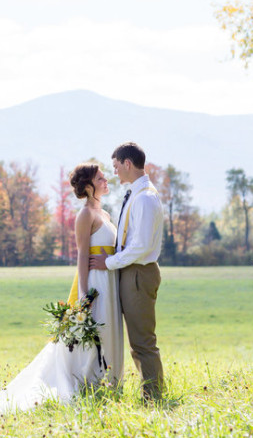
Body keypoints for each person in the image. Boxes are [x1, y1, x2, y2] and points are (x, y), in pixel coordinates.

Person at [0, 163, 123, 415]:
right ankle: (88, 381)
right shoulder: (85, 215)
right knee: (94, 334)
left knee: (109, 330)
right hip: (95, 284)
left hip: (110, 281)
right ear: (88, 186)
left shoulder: (106, 214)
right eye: (100, 178)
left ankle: (109, 383)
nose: (106, 180)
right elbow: (81, 257)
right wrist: (83, 296)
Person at [89, 142, 165, 400]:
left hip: (138, 274)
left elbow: (141, 247)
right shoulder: (137, 194)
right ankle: (150, 394)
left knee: (142, 342)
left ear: (128, 164)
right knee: (137, 342)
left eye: (116, 166)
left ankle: (153, 398)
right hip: (131, 273)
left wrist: (108, 262)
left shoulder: (144, 198)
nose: (115, 172)